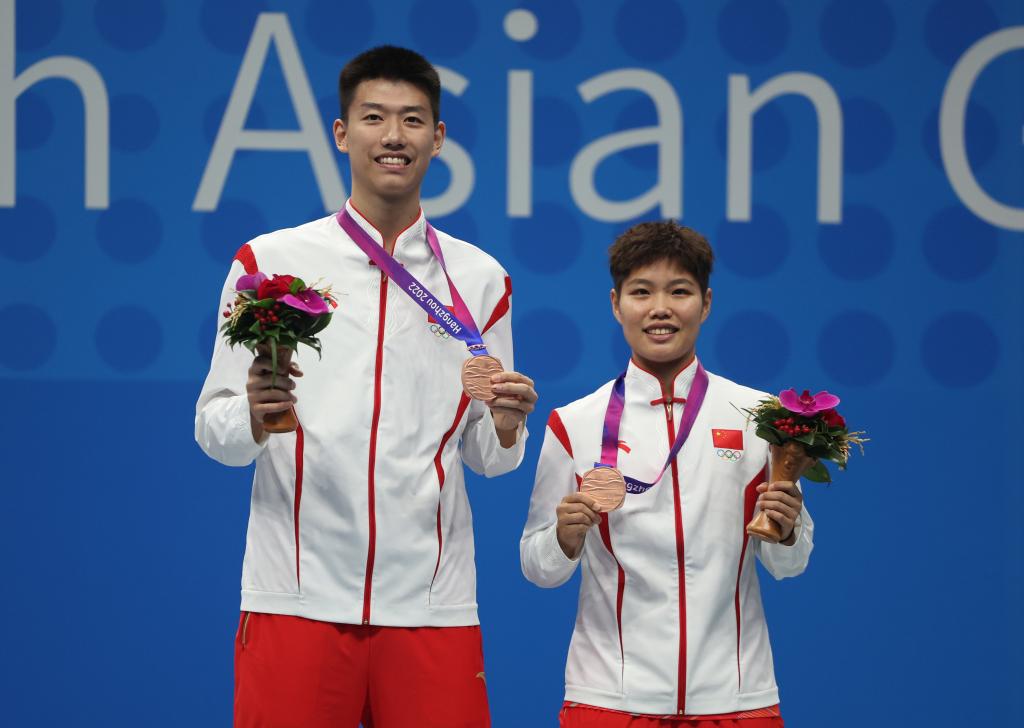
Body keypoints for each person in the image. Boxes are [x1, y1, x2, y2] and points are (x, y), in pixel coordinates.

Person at [196, 45, 537, 728]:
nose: (393, 136)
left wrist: (505, 424)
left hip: (431, 605)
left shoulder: (480, 279)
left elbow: (487, 457)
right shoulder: (270, 263)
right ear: (341, 132)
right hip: (296, 597)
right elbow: (215, 429)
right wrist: (254, 418)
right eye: (374, 117)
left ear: (437, 138)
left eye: (412, 119)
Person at [520, 221, 812, 727]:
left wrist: (788, 531)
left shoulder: (760, 418)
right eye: (641, 292)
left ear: (706, 303)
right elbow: (538, 567)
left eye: (679, 291)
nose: (660, 308)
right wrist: (563, 538)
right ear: (616, 304)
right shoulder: (575, 423)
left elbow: (791, 564)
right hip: (609, 698)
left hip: (735, 697)